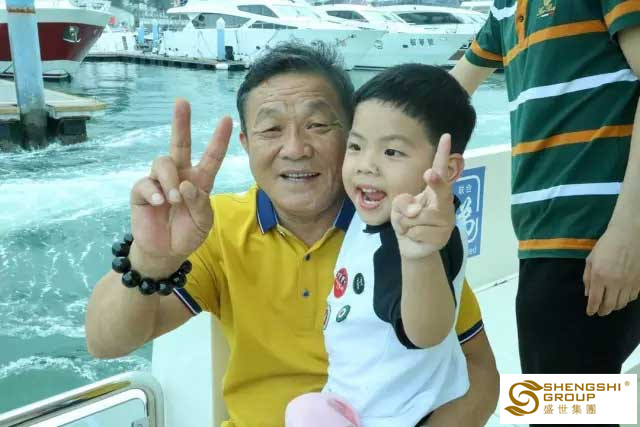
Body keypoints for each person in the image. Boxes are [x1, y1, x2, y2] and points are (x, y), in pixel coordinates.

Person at [86, 42, 499, 427]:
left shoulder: (399, 231)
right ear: (246, 144)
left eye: (317, 125)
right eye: (271, 130)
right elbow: (105, 342)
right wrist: (152, 258)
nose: (296, 148)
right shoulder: (216, 227)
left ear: (349, 133)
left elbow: (481, 371)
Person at [451, 0, 640, 396]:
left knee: (560, 409)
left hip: (592, 240)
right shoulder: (504, 9)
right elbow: (445, 96)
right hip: (546, 243)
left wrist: (628, 233)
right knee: (579, 406)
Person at [285, 64, 477, 426]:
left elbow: (427, 332)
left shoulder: (420, 238)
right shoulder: (372, 214)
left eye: (392, 152)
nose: (366, 165)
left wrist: (419, 256)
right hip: (353, 400)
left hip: (397, 416)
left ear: (448, 170)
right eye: (355, 146)